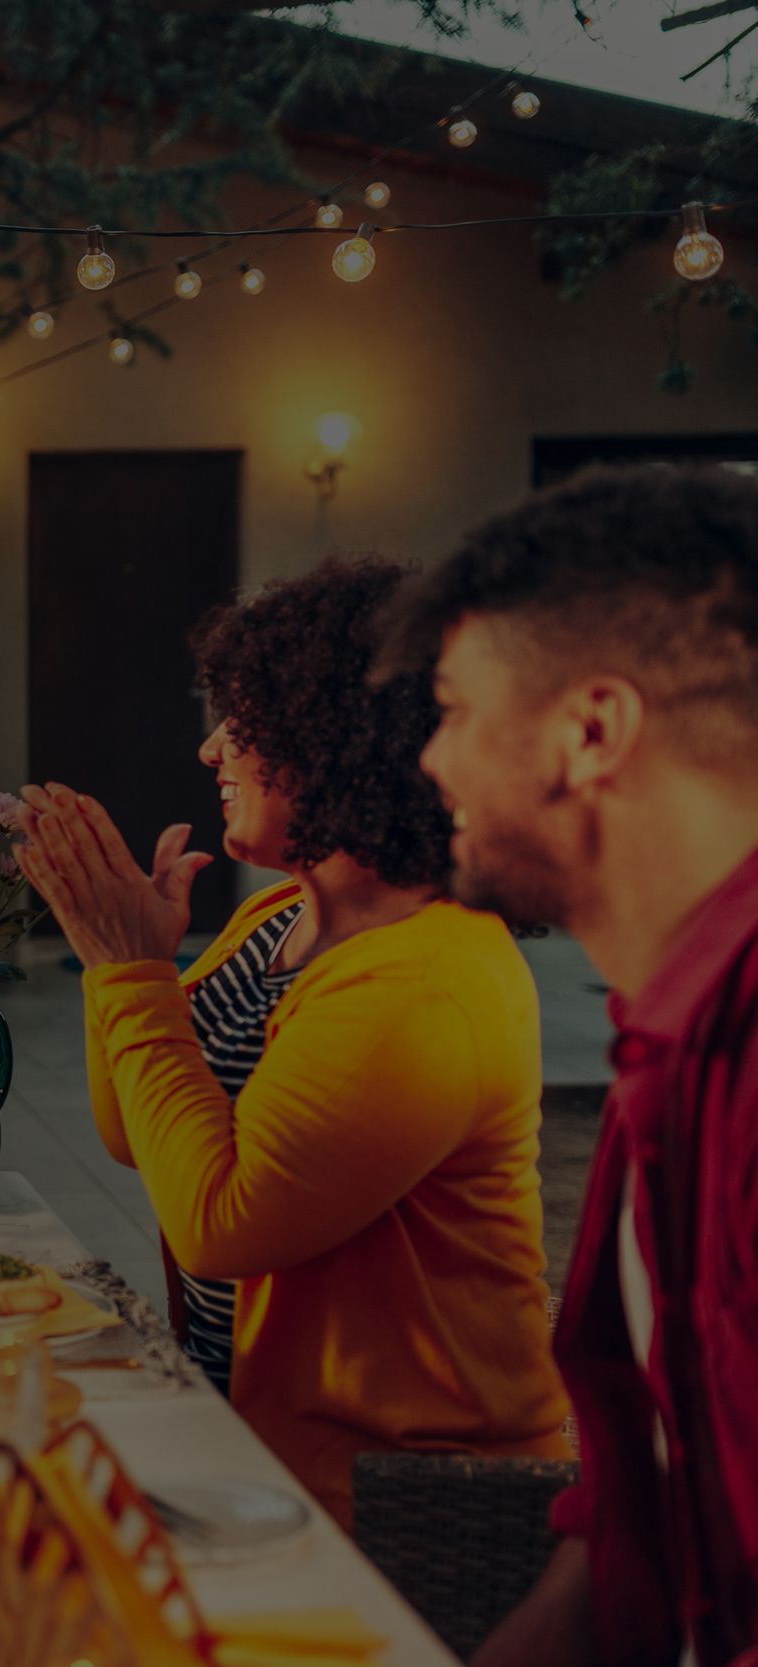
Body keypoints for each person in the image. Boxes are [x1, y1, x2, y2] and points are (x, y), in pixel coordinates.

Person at [15, 555, 568, 1528]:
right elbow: (133, 1132)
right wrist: (125, 963)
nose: (211, 749)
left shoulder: (424, 979)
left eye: (242, 719)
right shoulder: (278, 919)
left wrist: (128, 972)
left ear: (341, 737)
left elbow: (222, 1226)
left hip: (401, 1495)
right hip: (254, 1436)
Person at [379, 465, 758, 1667]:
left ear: (591, 730)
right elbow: (636, 1510)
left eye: (450, 707)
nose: (430, 758)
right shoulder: (670, 1037)